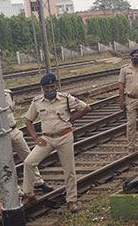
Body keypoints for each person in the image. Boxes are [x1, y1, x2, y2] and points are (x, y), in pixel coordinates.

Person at [22, 73, 91, 213]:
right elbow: (28, 120)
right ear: (42, 88)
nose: (50, 90)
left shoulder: (66, 98)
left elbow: (86, 108)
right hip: (47, 138)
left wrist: (72, 119)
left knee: (69, 169)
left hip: (65, 136)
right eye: (47, 88)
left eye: (52, 86)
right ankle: (29, 194)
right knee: (29, 162)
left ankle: (71, 200)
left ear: (56, 85)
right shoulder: (37, 102)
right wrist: (35, 137)